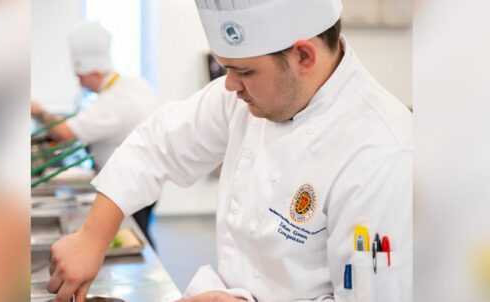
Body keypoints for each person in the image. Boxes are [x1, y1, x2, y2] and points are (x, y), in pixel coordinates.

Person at [47, 0, 412, 301]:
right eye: (226, 69)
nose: (231, 86)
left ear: (303, 56)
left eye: (245, 71)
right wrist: (91, 237)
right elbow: (157, 144)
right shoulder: (244, 97)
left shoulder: (381, 155)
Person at [31, 22, 158, 245]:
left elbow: (66, 132)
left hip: (130, 184)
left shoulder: (115, 101)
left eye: (81, 77)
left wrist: (39, 110)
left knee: (138, 235)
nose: (79, 83)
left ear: (96, 72)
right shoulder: (132, 85)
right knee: (141, 230)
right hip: (144, 179)